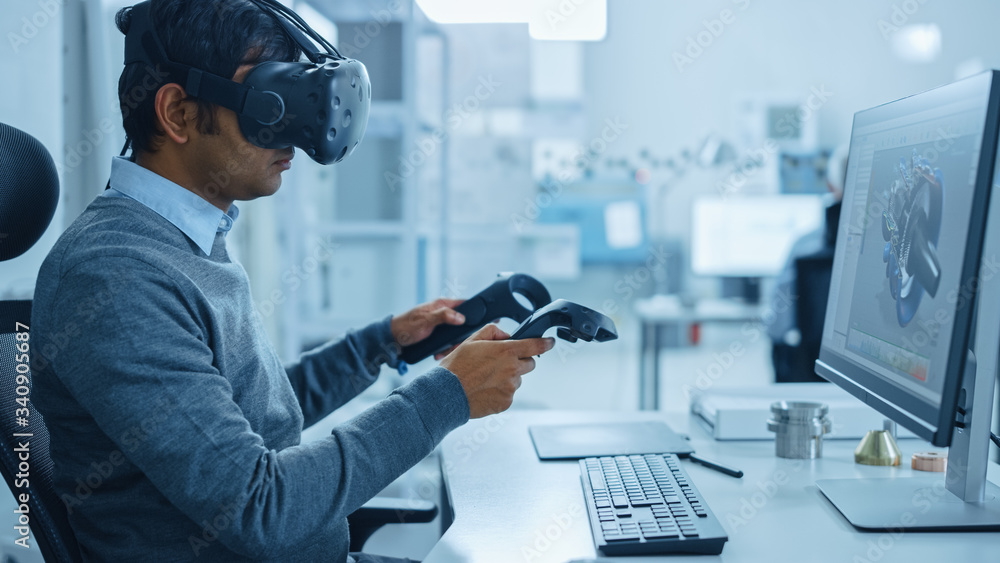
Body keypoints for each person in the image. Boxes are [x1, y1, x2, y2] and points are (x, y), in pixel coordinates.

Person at [29, 1, 555, 561]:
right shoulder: (116, 276)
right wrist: (447, 395)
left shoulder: (182, 241)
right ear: (178, 113)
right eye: (269, 104)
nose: (298, 134)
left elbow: (251, 427)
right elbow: (260, 508)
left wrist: (380, 344)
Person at [767, 145, 848, 382]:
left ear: (831, 187)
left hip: (812, 381)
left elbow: (777, 326)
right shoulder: (896, 248)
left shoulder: (805, 245)